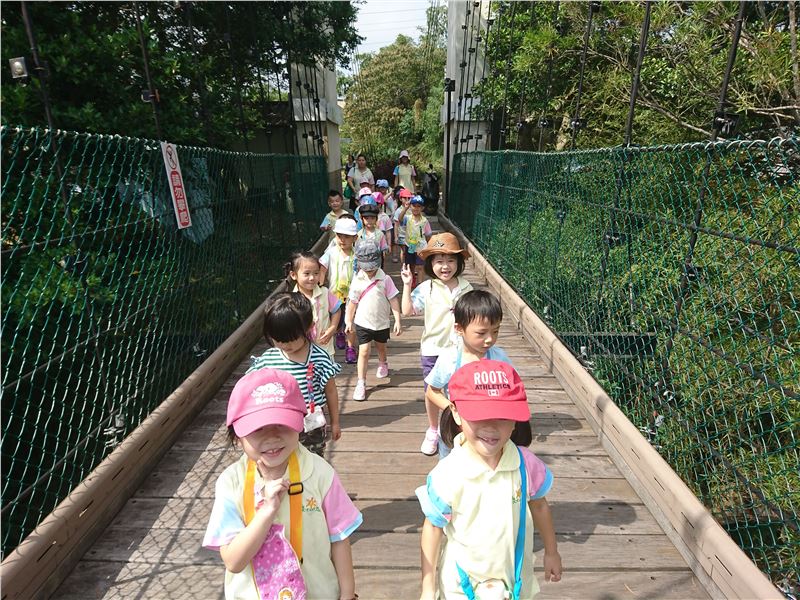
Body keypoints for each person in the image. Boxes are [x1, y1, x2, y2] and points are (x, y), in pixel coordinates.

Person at [203, 368, 361, 600]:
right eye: (258, 429)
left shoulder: (320, 473)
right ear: (237, 436)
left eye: (282, 424)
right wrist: (266, 512)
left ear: (299, 423)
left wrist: (347, 594)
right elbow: (234, 562)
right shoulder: (231, 483)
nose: (272, 437)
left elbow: (339, 538)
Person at [417, 360, 563, 600]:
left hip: (514, 579)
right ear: (456, 412)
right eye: (480, 415)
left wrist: (551, 552)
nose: (492, 427)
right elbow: (433, 527)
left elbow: (539, 505)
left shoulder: (525, 465)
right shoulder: (448, 473)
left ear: (515, 420)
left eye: (503, 417)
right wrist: (428, 588)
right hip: (461, 585)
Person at [400, 232, 473, 455]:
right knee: (433, 391)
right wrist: (407, 285)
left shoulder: (466, 288)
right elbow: (407, 310)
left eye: (450, 260)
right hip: (433, 349)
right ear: (431, 264)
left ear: (459, 262)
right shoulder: (427, 288)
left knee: (458, 391)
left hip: (459, 350)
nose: (445, 266)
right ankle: (433, 429)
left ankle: (457, 427)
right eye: (439, 261)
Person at [248, 293, 342, 456]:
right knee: (283, 460)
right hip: (279, 424)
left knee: (313, 460)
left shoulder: (319, 358)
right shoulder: (268, 360)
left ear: (309, 327)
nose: (285, 345)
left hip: (311, 425)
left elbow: (331, 391)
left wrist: (335, 422)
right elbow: (249, 387)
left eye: (291, 339)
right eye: (278, 339)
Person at [425, 290, 513, 457]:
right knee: (451, 465)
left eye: (495, 331)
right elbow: (432, 391)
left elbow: (512, 388)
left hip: (487, 431)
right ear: (459, 329)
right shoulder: (450, 359)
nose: (490, 339)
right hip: (456, 428)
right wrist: (454, 410)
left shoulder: (499, 358)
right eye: (481, 333)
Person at [345, 240, 402, 401]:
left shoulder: (385, 279)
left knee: (381, 347)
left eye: (372, 267)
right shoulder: (357, 280)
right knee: (363, 351)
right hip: (363, 322)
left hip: (381, 322)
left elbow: (393, 300)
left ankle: (383, 362)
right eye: (366, 267)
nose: (369, 270)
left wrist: (398, 320)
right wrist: (349, 321)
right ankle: (361, 382)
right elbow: (352, 303)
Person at [287, 251, 342, 357]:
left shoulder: (325, 293)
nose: (312, 278)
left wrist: (332, 328)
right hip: (302, 351)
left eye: (316, 273)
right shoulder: (291, 300)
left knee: (327, 367)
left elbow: (336, 310)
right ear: (293, 275)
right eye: (307, 274)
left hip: (324, 348)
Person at [320, 215, 359, 364]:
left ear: (355, 238)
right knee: (335, 318)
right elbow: (322, 267)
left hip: (352, 296)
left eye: (347, 237)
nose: (342, 240)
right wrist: (320, 283)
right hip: (334, 295)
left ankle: (350, 347)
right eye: (339, 236)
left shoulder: (357, 255)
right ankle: (339, 333)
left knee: (351, 321)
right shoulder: (331, 253)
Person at [398, 195, 433, 289]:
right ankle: (412, 279)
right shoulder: (408, 218)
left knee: (420, 266)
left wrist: (429, 246)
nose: (416, 208)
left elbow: (428, 234)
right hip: (410, 245)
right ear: (411, 206)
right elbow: (400, 219)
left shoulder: (424, 221)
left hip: (421, 247)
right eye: (414, 206)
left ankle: (420, 284)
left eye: (419, 206)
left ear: (422, 208)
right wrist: (405, 209)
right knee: (411, 265)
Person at [357, 202, 389, 266]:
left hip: (376, 263)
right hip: (362, 264)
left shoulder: (380, 234)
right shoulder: (359, 234)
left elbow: (383, 250)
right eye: (366, 218)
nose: (369, 221)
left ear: (376, 219)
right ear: (362, 219)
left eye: (372, 218)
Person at [393, 188, 413, 264]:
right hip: (402, 235)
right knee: (404, 251)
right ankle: (404, 265)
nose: (407, 200)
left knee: (411, 251)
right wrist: (396, 236)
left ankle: (410, 265)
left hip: (412, 235)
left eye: (409, 198)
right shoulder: (398, 210)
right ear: (400, 199)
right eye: (405, 198)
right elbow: (396, 224)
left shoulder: (412, 209)